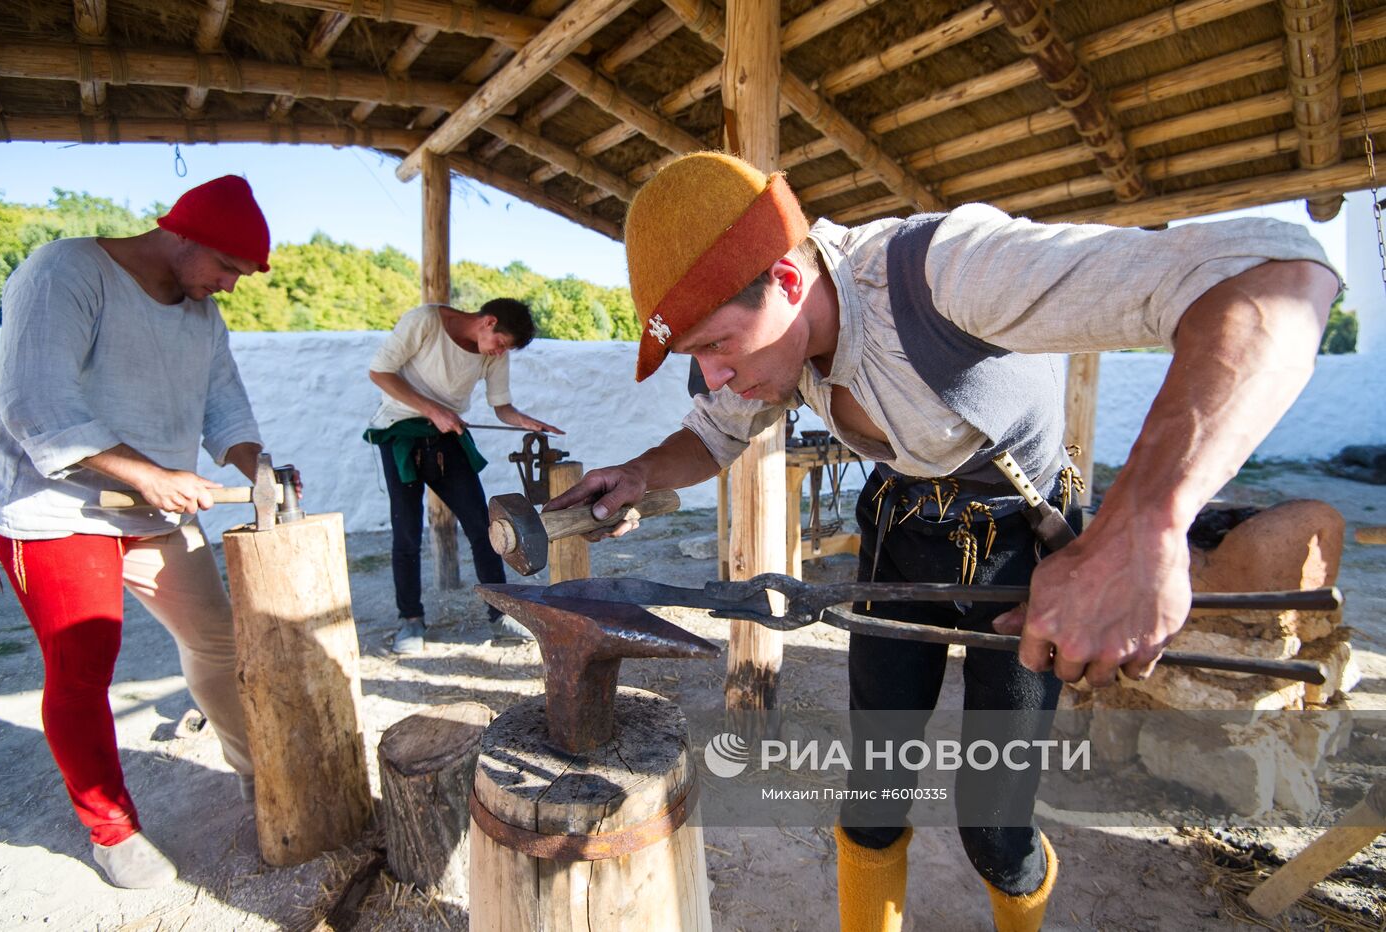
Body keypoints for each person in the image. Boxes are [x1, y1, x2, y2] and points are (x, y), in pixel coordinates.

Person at [545, 151, 1339, 932]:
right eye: (696, 356)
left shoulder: (944, 271)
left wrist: (1141, 529)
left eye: (716, 345)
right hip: (900, 534)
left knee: (994, 821)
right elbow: (712, 436)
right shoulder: (757, 354)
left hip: (1024, 545)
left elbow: (1278, 271)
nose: (714, 376)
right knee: (874, 796)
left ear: (788, 281)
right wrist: (642, 474)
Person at [0, 174, 298, 889]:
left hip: (154, 513)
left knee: (217, 643)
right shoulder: (67, 270)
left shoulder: (201, 313)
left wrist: (259, 471)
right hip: (55, 512)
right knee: (82, 665)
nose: (230, 285)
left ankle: (262, 778)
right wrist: (148, 475)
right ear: (183, 234)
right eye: (226, 268)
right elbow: (34, 403)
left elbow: (226, 408)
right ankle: (111, 829)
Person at [365, 298, 561, 653]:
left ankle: (500, 614)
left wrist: (526, 422)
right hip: (399, 432)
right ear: (488, 322)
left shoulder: (493, 352)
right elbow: (380, 372)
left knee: (483, 526)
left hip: (447, 436)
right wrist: (431, 410)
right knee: (407, 533)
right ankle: (410, 620)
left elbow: (501, 406)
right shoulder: (424, 322)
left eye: (506, 350)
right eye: (501, 344)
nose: (500, 354)